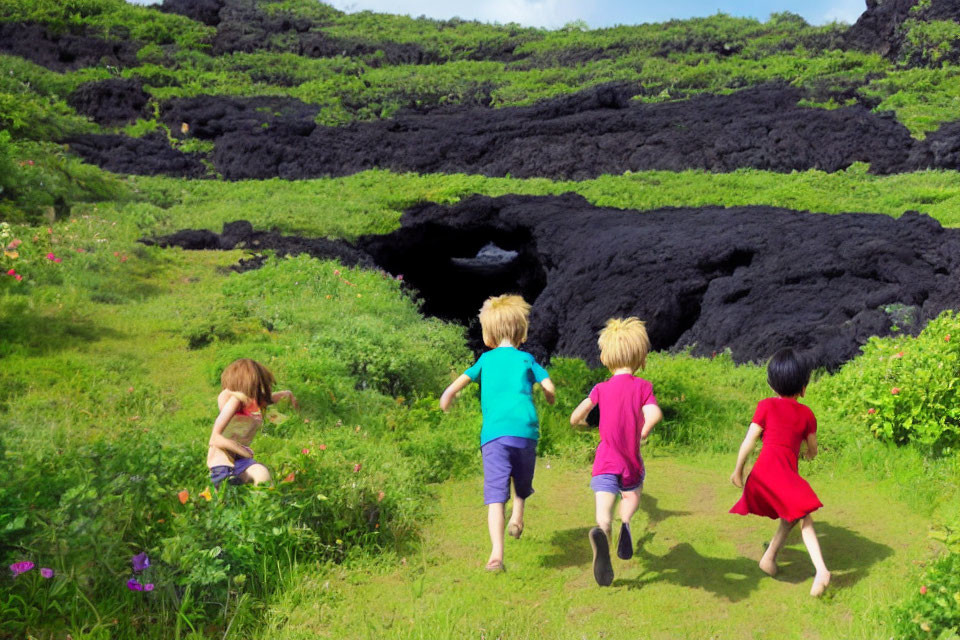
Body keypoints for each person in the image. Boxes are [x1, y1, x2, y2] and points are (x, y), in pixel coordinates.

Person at [439, 294, 556, 572]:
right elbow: (548, 384)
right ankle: (518, 515)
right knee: (522, 480)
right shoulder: (527, 359)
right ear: (521, 332)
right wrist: (550, 395)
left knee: (495, 494)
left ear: (488, 334)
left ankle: (496, 555)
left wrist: (447, 396)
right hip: (526, 432)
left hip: (493, 436)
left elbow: (458, 384)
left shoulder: (485, 360)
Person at [729, 347, 830, 597]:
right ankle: (822, 571)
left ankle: (769, 558)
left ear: (772, 384)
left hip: (762, 475)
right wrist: (807, 453)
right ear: (804, 387)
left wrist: (738, 470)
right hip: (781, 474)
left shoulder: (766, 406)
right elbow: (813, 449)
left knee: (792, 514)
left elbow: (749, 441)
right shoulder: (807, 415)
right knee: (804, 514)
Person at [570, 317, 662, 587]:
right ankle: (626, 522)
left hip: (605, 461)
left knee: (602, 509)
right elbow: (654, 413)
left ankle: (603, 529)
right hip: (630, 462)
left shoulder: (600, 389)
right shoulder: (642, 387)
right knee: (632, 494)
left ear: (605, 357)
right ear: (641, 358)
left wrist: (583, 424)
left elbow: (576, 416)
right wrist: (644, 430)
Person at [207, 358, 297, 488]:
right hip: (223, 463)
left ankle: (264, 503)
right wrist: (244, 451)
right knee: (228, 491)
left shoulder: (252, 401)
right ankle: (228, 490)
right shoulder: (235, 401)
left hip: (241, 461)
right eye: (258, 386)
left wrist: (289, 395)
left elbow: (270, 399)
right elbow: (215, 439)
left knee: (263, 474)